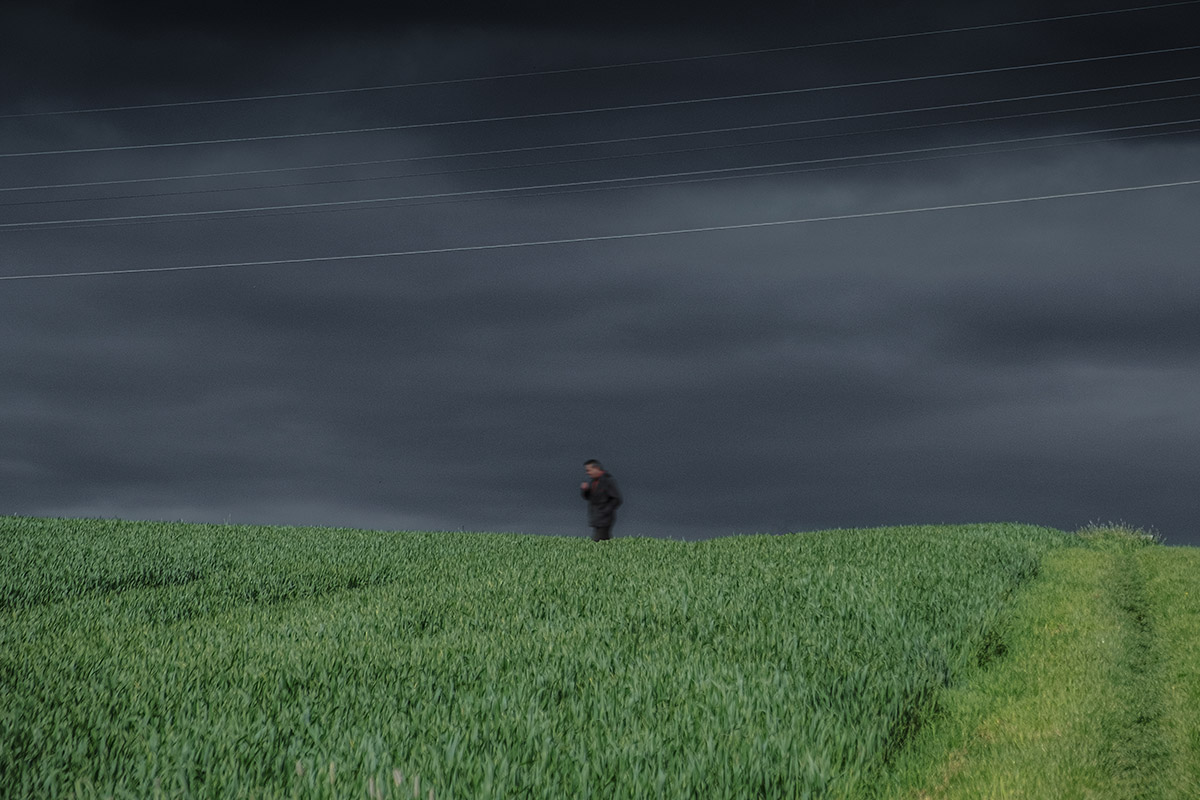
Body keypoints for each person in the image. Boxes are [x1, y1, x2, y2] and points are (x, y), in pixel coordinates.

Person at [579, 459, 622, 541]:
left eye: (589, 470)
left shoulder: (608, 481)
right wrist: (586, 490)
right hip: (597, 518)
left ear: (596, 468)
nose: (587, 473)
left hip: (605, 519)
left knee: (597, 540)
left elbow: (617, 499)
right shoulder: (593, 482)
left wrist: (605, 511)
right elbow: (590, 498)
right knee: (605, 539)